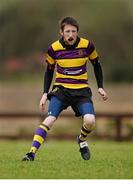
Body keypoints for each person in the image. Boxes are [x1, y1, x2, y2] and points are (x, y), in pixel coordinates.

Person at [22, 16, 108, 161]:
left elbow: (97, 65)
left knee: (90, 120)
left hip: (81, 91)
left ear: (77, 32)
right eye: (67, 31)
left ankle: (81, 140)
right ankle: (31, 153)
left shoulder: (88, 46)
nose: (71, 34)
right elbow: (49, 71)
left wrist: (100, 87)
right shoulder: (53, 49)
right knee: (49, 120)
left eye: (74, 31)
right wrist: (44, 93)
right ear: (61, 32)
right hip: (61, 91)